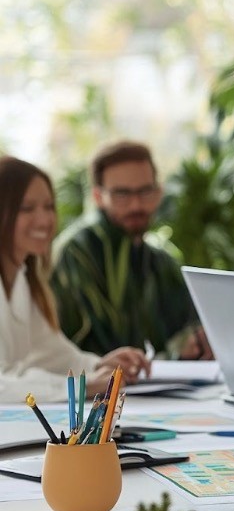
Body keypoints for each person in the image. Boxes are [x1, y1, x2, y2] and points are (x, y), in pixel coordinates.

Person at [1, 156, 149, 403]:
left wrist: (99, 364)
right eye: (27, 208)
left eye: (49, 207)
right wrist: (83, 386)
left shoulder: (21, 280)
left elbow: (52, 352)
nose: (45, 220)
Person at [51, 141, 208, 359]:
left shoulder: (160, 260)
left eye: (145, 192)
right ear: (98, 197)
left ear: (159, 192)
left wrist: (197, 342)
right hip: (95, 391)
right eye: (122, 194)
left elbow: (186, 327)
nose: (136, 205)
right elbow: (88, 354)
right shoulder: (77, 253)